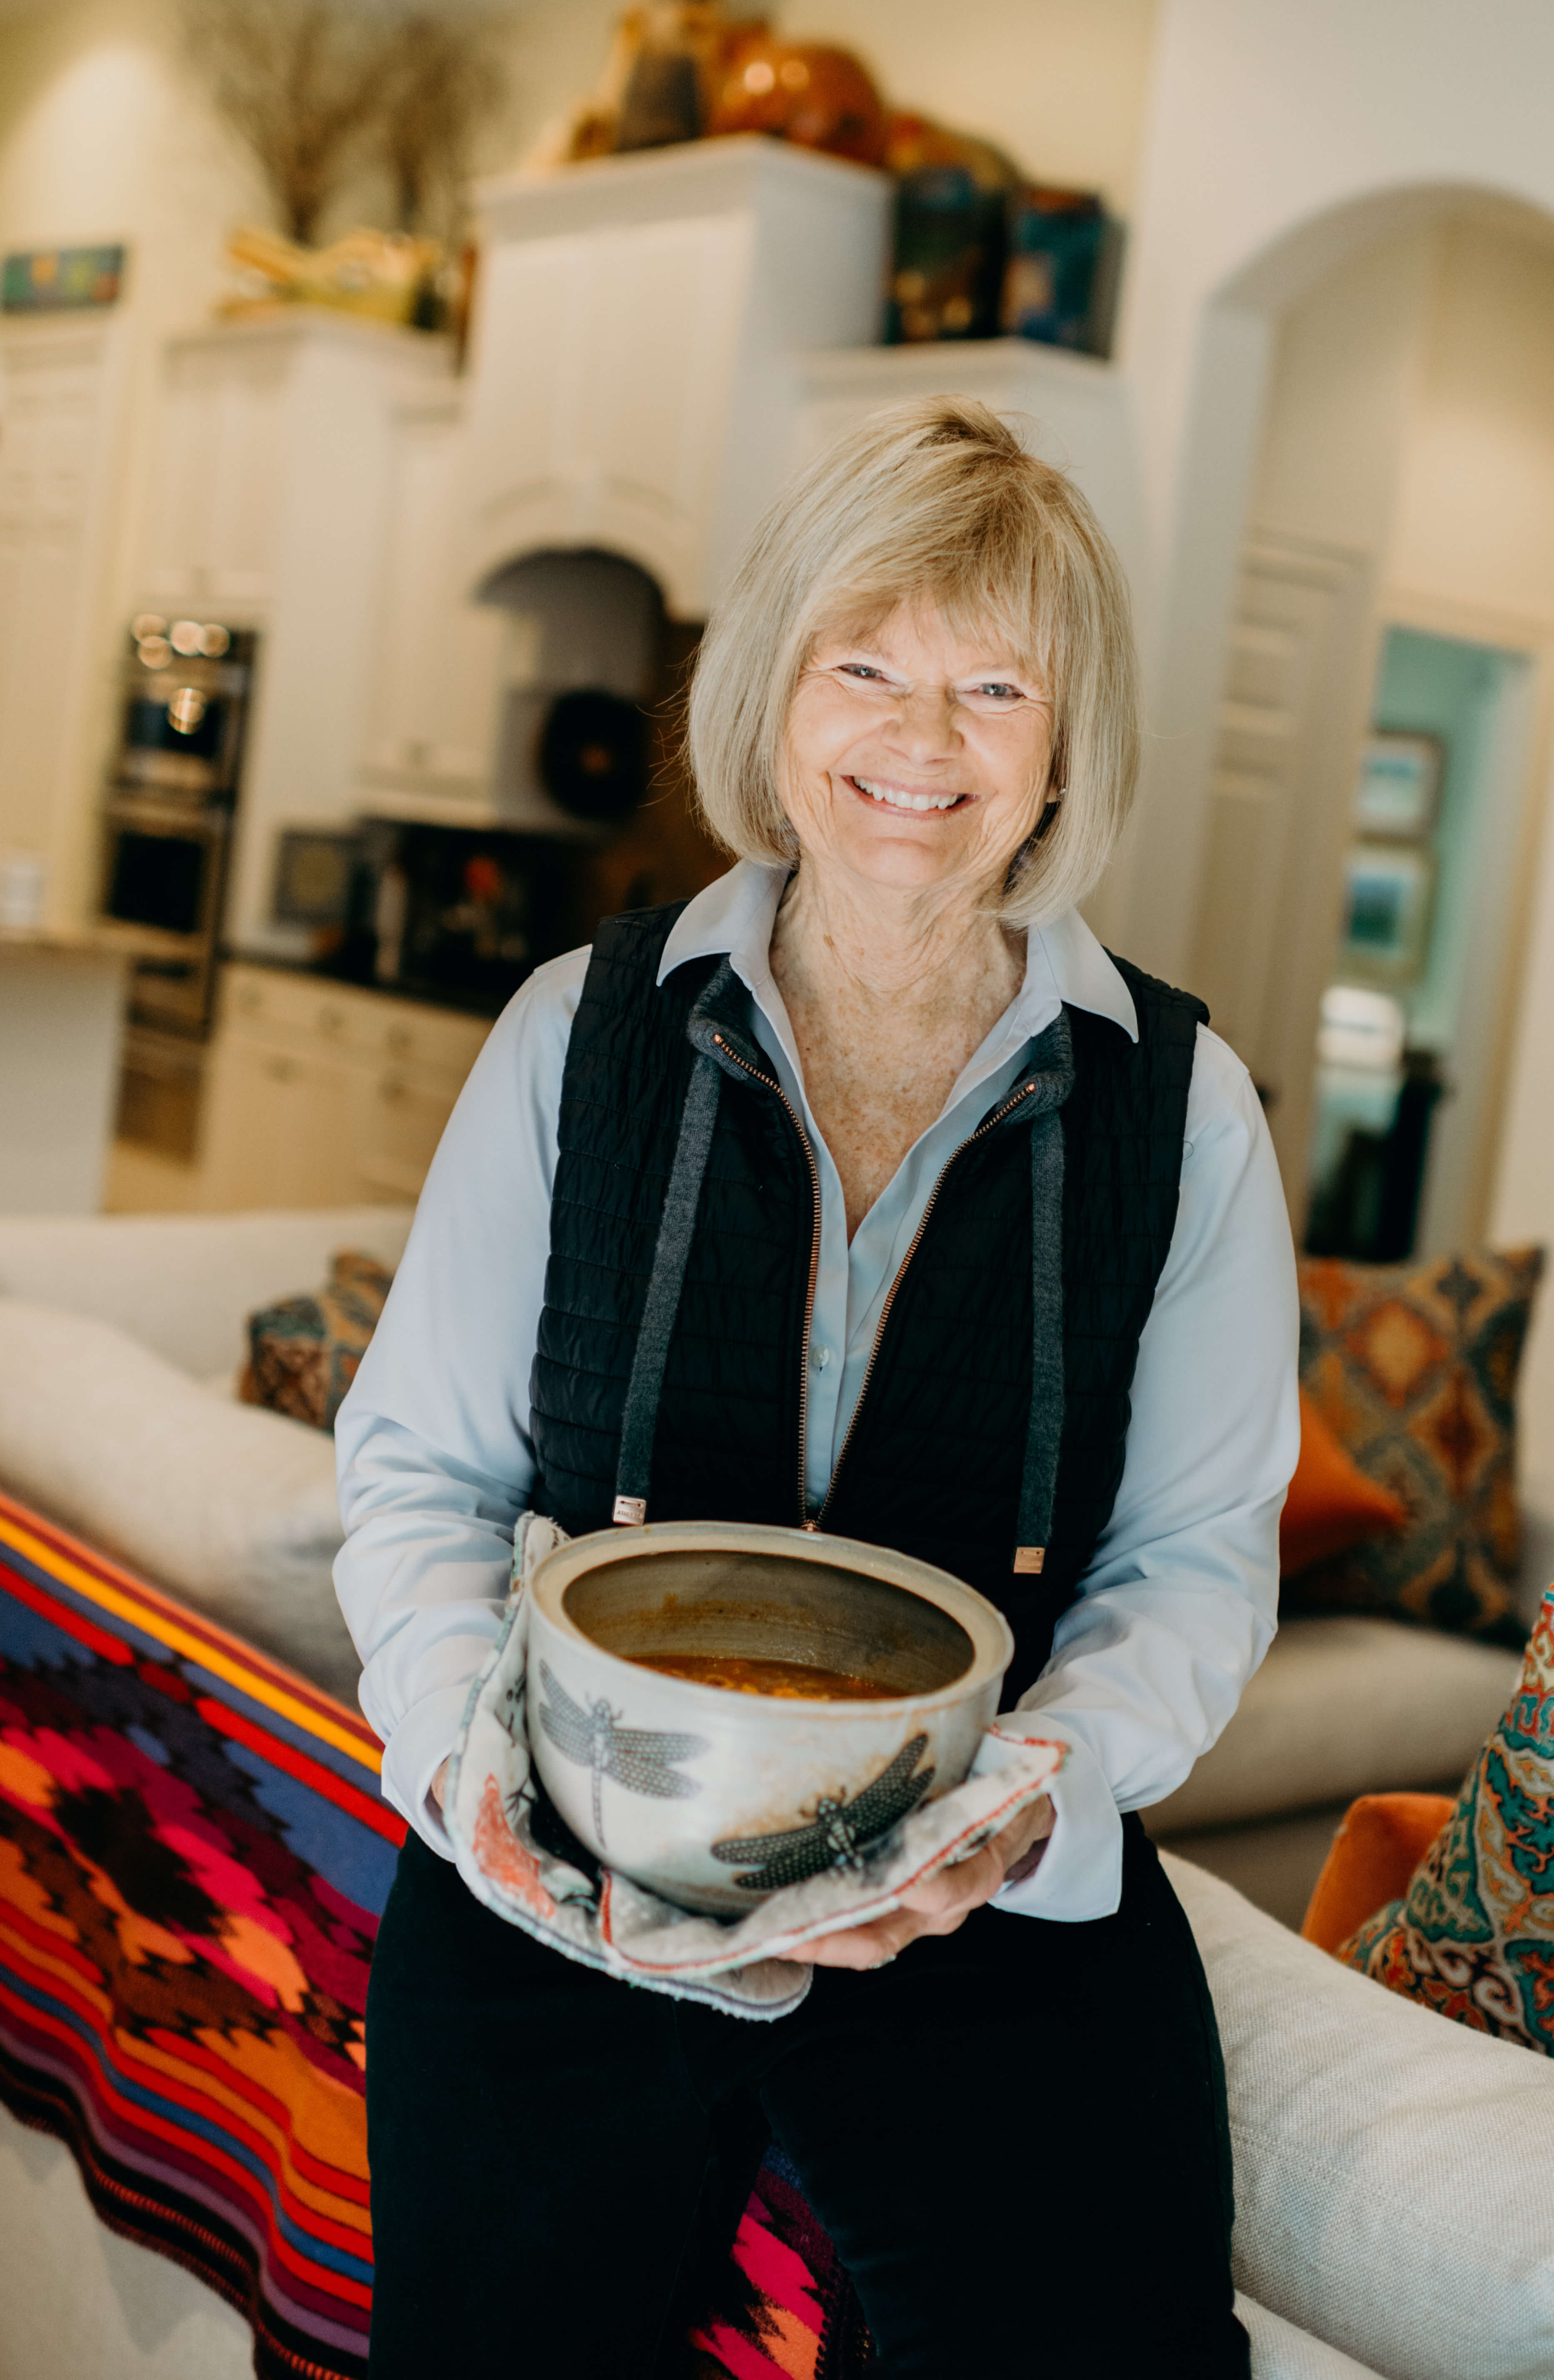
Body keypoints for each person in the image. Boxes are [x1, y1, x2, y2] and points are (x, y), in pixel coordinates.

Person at [336, 395, 1298, 2378]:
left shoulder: (1180, 1109)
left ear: (1064, 745)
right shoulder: (572, 1036)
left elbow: (1194, 1563)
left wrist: (1025, 1808)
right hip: (576, 1873)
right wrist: (465, 1777)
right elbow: (421, 1467)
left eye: (991, 686)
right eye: (863, 665)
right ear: (775, 687)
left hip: (977, 1902)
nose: (918, 743)